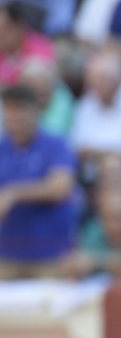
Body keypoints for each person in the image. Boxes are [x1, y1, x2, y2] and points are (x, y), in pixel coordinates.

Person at [0, 84, 75, 278]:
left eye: (20, 112)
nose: (15, 120)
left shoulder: (56, 145)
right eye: (9, 113)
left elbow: (60, 187)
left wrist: (14, 193)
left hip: (50, 256)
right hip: (6, 255)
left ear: (36, 112)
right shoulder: (1, 148)